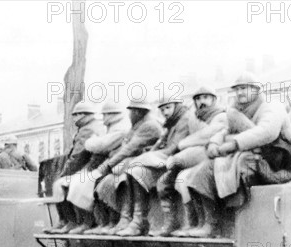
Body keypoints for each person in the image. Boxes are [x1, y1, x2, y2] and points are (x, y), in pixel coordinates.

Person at [185, 73, 291, 237]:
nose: (240, 93)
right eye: (237, 90)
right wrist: (214, 143)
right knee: (200, 173)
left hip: (272, 159)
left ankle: (220, 225)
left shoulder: (271, 106)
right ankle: (208, 223)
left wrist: (233, 144)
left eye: (244, 88)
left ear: (256, 89)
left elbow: (266, 132)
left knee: (232, 168)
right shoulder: (237, 110)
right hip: (249, 153)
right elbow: (227, 130)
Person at [113, 96, 190, 236]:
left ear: (177, 106)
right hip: (168, 161)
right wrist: (151, 152)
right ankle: (137, 221)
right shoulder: (171, 123)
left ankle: (169, 222)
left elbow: (173, 148)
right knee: (135, 170)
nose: (165, 112)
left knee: (142, 171)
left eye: (168, 108)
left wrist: (146, 157)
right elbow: (161, 144)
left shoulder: (184, 120)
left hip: (179, 162)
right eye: (162, 109)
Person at [91, 99, 163, 235]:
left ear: (139, 111)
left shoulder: (149, 126)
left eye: (133, 111)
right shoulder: (138, 126)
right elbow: (125, 147)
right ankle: (116, 220)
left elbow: (129, 148)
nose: (131, 114)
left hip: (147, 164)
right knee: (110, 180)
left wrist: (106, 166)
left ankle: (127, 218)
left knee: (124, 178)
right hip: (137, 162)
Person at [163, 86, 227, 236]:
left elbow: (207, 135)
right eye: (198, 99)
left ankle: (211, 223)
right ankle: (196, 223)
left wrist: (184, 144)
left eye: (205, 98)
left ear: (214, 99)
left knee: (194, 177)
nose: (201, 102)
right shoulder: (196, 117)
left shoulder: (221, 116)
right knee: (181, 180)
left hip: (217, 157)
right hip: (200, 158)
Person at [66, 100, 130, 234]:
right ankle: (96, 222)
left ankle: (105, 222)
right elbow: (99, 146)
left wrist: (92, 142)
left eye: (106, 114)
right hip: (110, 164)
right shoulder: (110, 128)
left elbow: (100, 145)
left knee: (97, 184)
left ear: (113, 115)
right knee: (81, 183)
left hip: (117, 165)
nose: (103, 118)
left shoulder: (119, 129)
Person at [46, 102, 104, 233]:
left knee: (61, 183)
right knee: (65, 183)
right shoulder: (91, 127)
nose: (74, 118)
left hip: (91, 168)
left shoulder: (87, 129)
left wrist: (65, 173)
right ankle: (68, 221)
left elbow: (77, 156)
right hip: (93, 167)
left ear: (83, 115)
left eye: (76, 115)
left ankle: (73, 221)